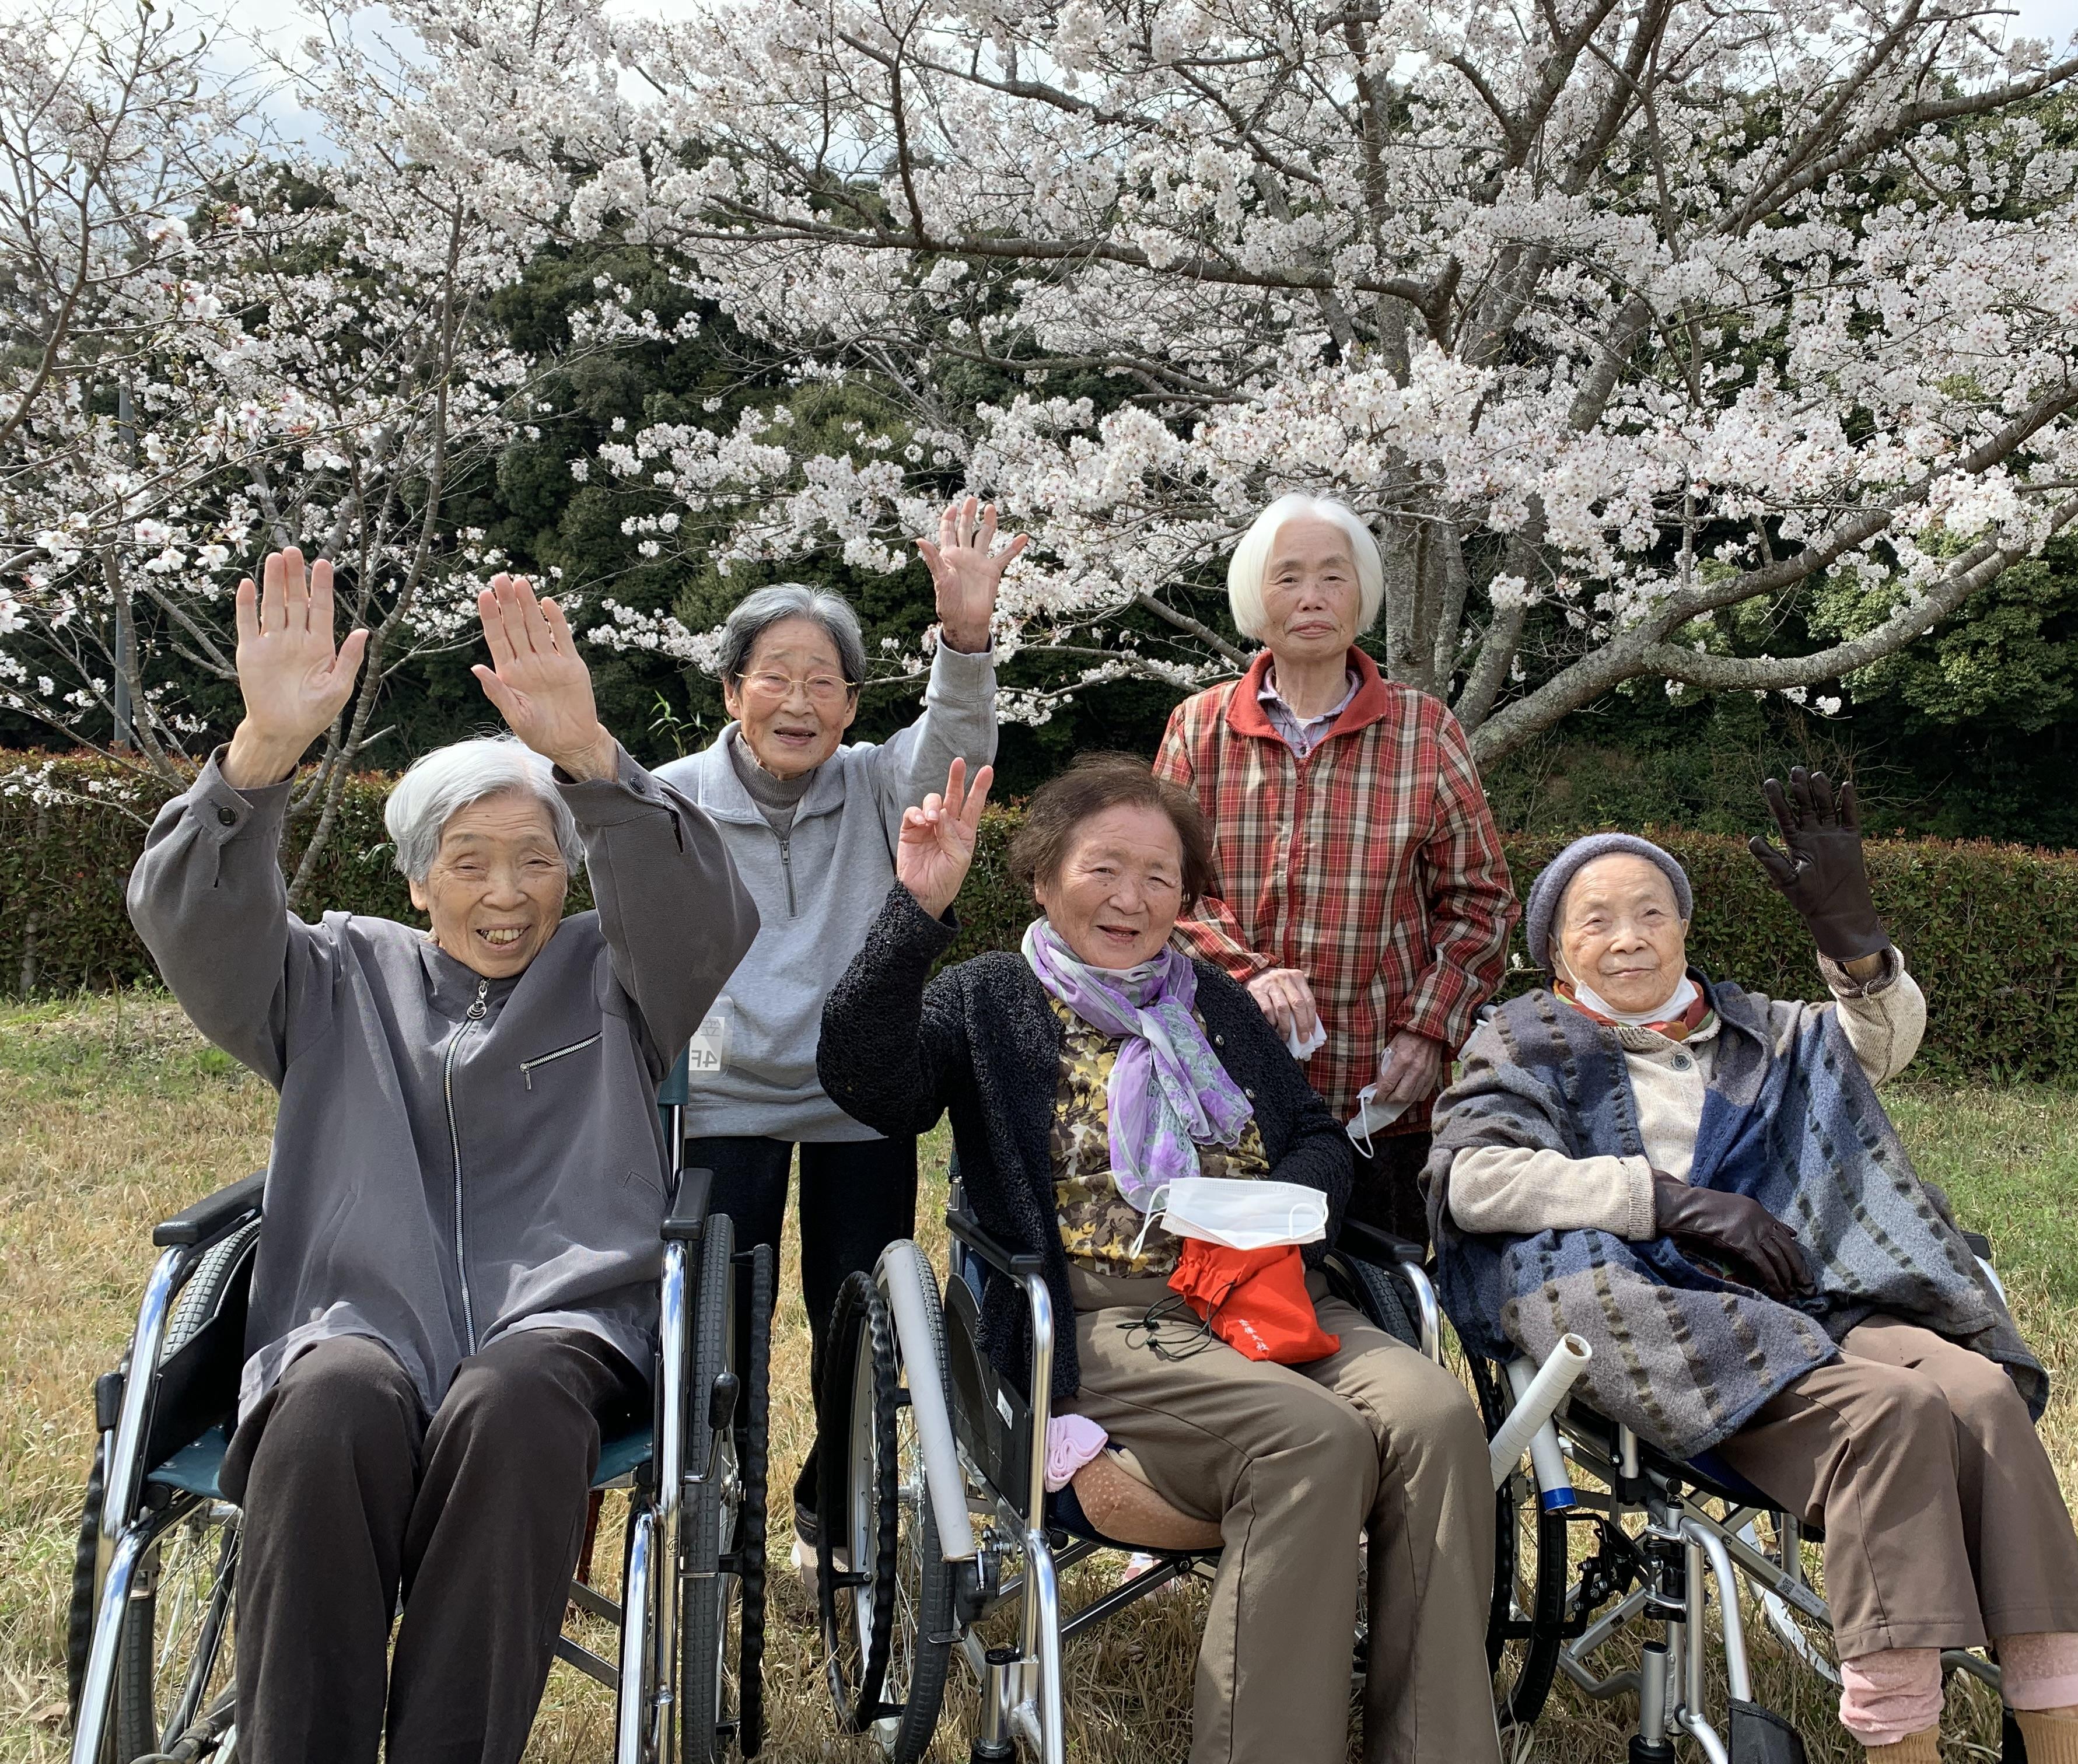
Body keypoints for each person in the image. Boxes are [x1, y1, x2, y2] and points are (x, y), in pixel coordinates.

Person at [124, 550, 757, 1764]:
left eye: (535, 858)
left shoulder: (618, 976)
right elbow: (186, 918)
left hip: (561, 1329)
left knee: (514, 1403)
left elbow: (703, 911)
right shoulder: (333, 974)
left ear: (570, 872)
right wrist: (258, 758)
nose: (507, 892)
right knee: (326, 1406)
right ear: (418, 882)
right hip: (356, 1312)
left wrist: (591, 759)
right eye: (468, 861)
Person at [817, 752, 1500, 1764]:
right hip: (1104, 1314)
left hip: (1263, 1285)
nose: (1131, 899)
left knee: (1439, 1416)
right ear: (1045, 876)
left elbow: (1312, 1131)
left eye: (1161, 877)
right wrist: (915, 914)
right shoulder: (988, 998)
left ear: (1187, 898)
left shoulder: (1215, 1003)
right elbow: (870, 1083)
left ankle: (1436, 1749)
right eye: (1104, 868)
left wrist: (1281, 1203)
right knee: (1312, 1440)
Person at [1428, 772, 2078, 1764]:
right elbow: (1473, 1180)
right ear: (1556, 952)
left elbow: (1880, 1043)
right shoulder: (1523, 1040)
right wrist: (1665, 1200)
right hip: (1658, 1319)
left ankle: (2061, 1728)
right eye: (1595, 922)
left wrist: (1856, 946)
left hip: (1811, 1292)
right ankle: (1902, 1743)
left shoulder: (1766, 1032)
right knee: (1894, 1414)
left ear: (1683, 928)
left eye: (1650, 913)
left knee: (1978, 1393)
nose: (1627, 939)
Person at [653, 496, 1023, 1567]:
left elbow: (955, 751)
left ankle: (835, 1494)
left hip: (857, 1094)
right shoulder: (675, 799)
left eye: (825, 681)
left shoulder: (875, 786)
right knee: (722, 1317)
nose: (799, 700)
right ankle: (717, 1488)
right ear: (731, 691)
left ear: (855, 705)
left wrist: (964, 642)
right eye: (776, 675)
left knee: (852, 1312)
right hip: (722, 1095)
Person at [1153, 492, 1517, 1246]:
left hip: (1381, 1102)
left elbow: (1482, 904)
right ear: (1256, 599)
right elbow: (1161, 891)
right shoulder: (1200, 727)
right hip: (1227, 1092)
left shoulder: (1425, 731)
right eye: (1288, 579)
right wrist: (1249, 971)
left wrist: (1429, 1034)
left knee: (1390, 1311)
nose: (1312, 598)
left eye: (1333, 577)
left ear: (1363, 596)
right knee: (1246, 1316)